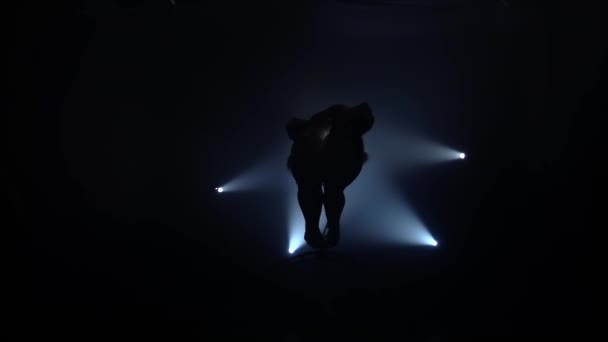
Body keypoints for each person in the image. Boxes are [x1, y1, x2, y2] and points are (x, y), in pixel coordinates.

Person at [286, 102, 374, 248]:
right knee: (318, 189)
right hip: (313, 157)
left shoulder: (345, 138)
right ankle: (320, 229)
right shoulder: (313, 139)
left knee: (328, 189)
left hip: (334, 159)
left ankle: (325, 228)